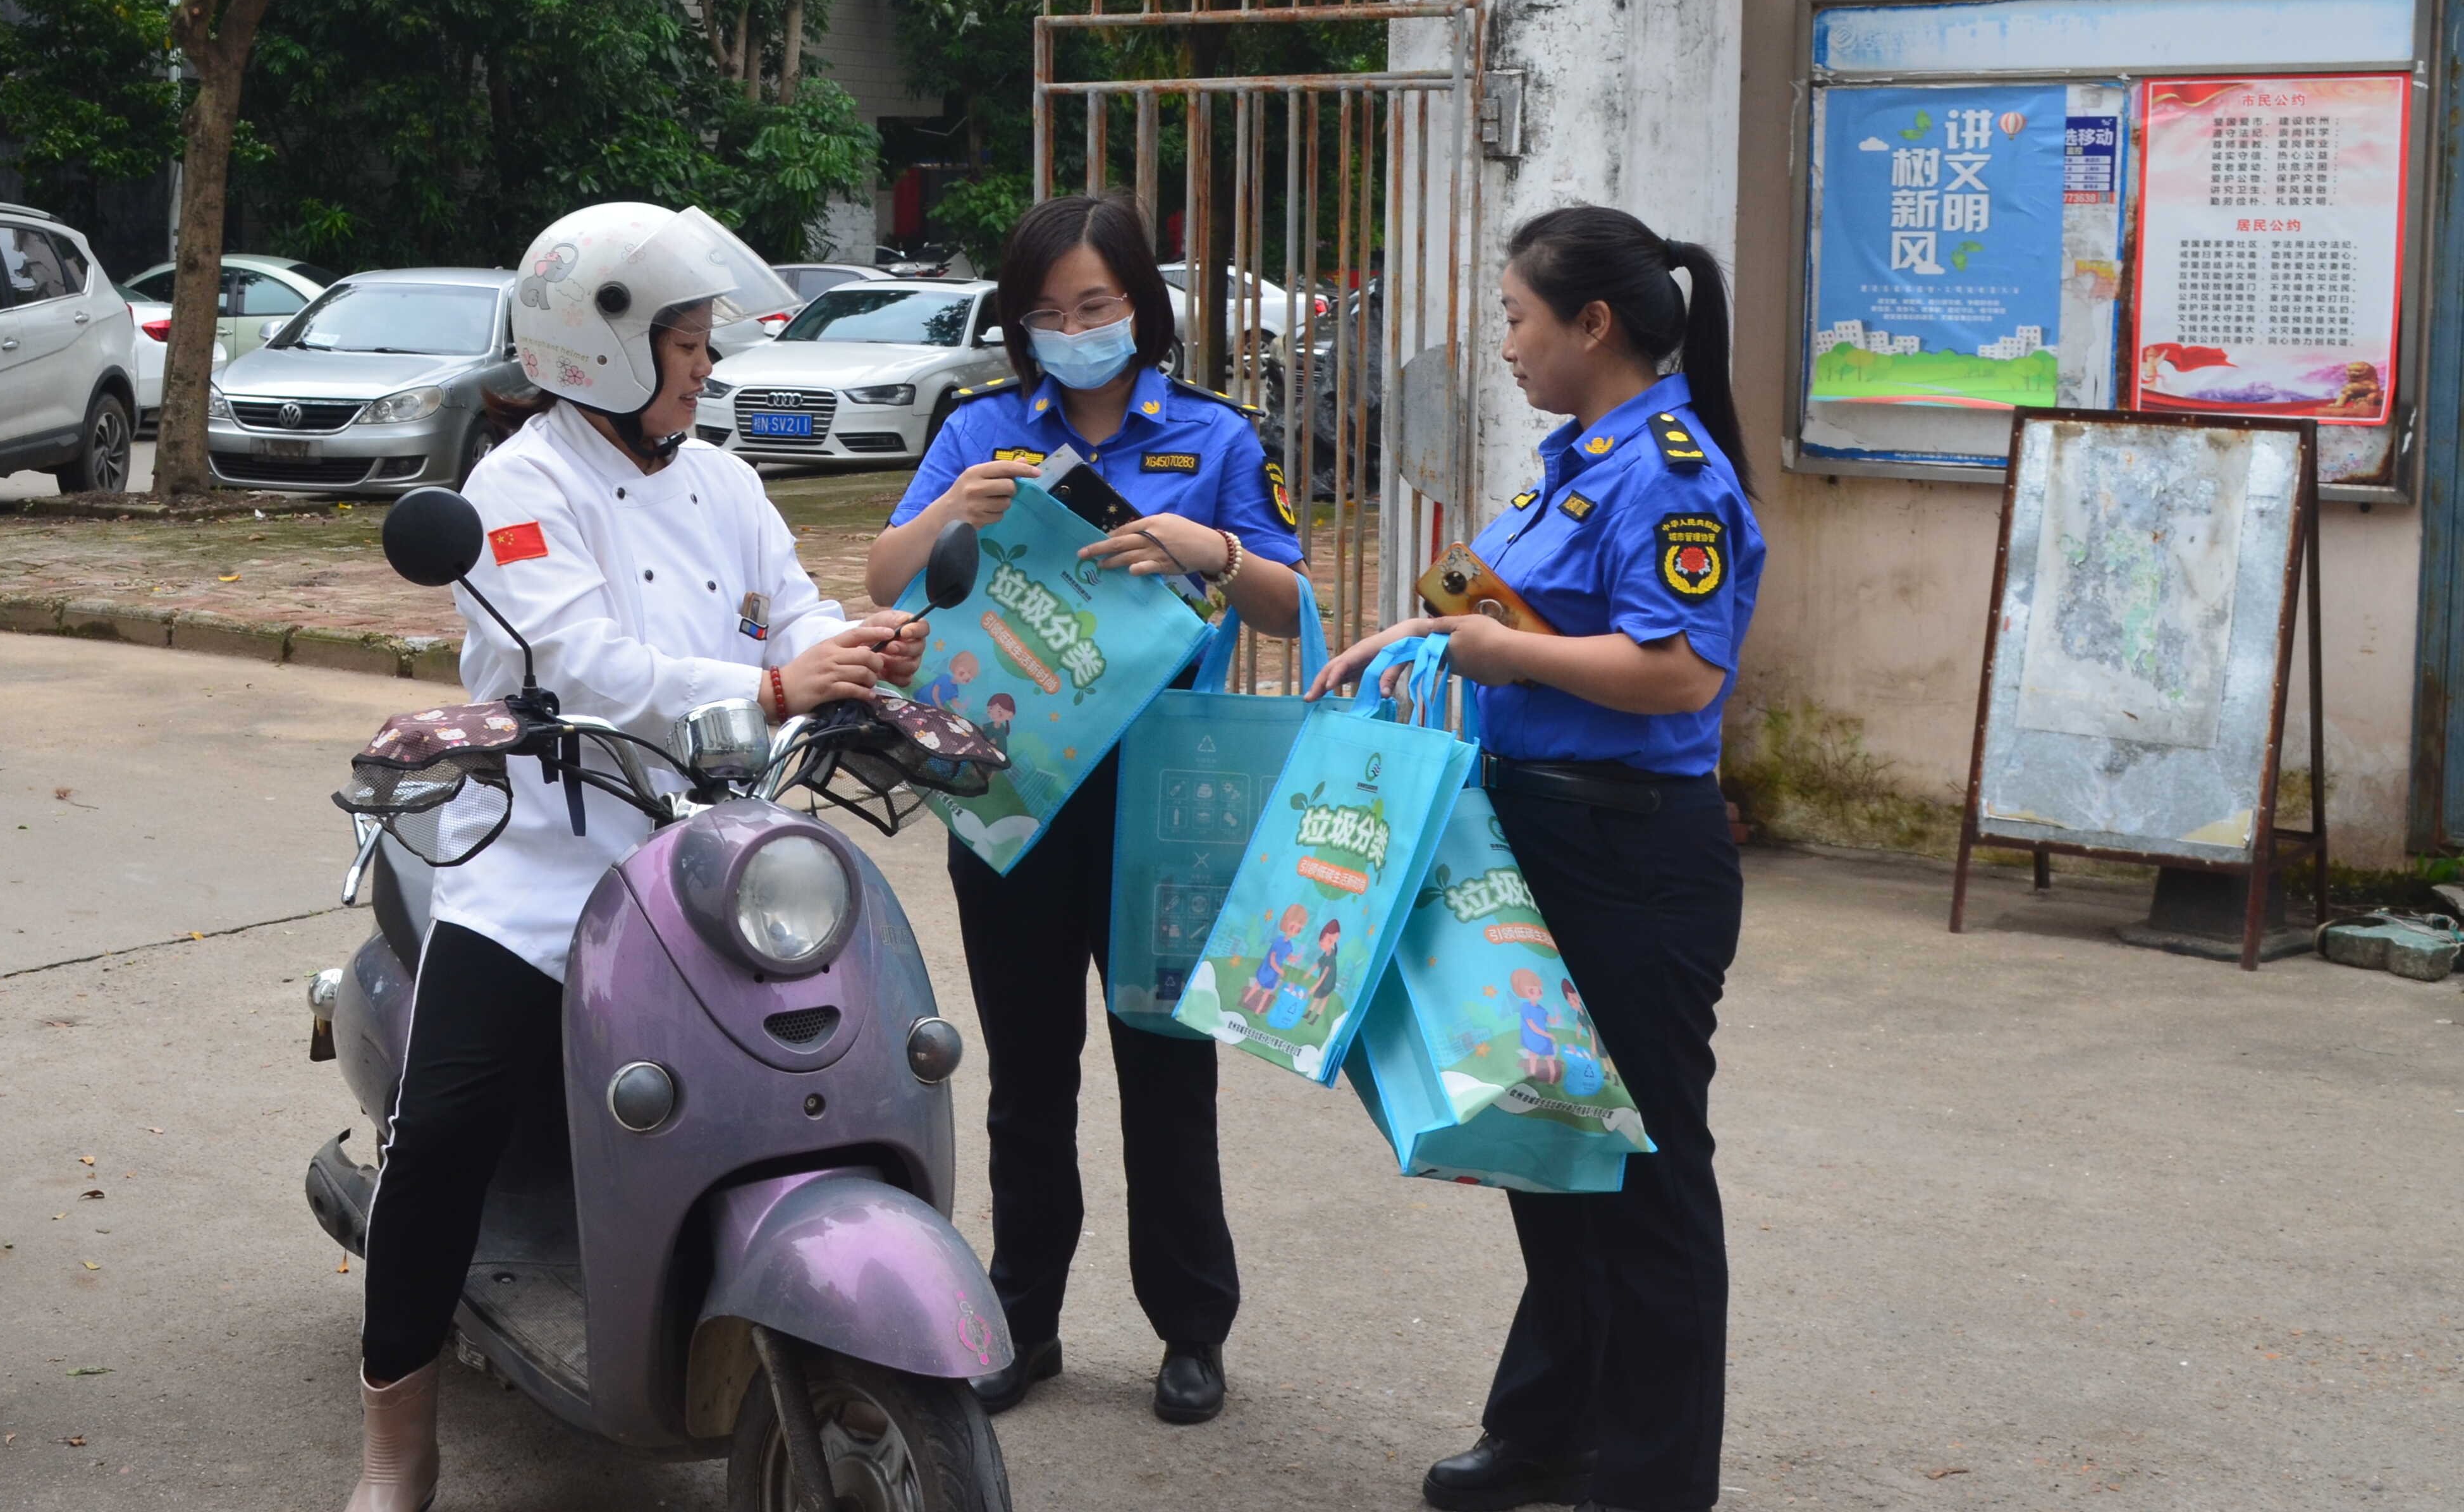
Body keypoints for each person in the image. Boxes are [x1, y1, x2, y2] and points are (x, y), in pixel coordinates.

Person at [342, 202, 929, 1512]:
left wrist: (853, 645)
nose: (705, 366)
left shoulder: (725, 480)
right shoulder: (519, 486)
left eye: (706, 341)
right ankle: (395, 1442)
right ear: (601, 346)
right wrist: (770, 689)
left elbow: (793, 608)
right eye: (686, 342)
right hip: (545, 864)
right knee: (444, 1131)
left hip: (713, 856)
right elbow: (581, 664)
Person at [1309, 203, 1763, 1512]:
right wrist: (1414, 635)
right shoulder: (1573, 460)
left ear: (1593, 324)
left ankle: (1654, 1481)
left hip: (1632, 853)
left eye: (1517, 318)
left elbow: (1679, 673)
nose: (1504, 345)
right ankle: (1551, 1429)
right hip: (1535, 833)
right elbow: (1503, 607)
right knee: (1551, 1143)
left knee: (1644, 1175)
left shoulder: (1670, 473)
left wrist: (1502, 655)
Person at [864, 191, 1308, 1428]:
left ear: (1140, 309)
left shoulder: (1217, 436)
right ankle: (1023, 1318)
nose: (1072, 330)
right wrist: (952, 512)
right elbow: (884, 575)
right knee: (1026, 1073)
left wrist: (1209, 552)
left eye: (1094, 306)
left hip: (1166, 796)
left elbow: (1289, 604)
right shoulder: (981, 428)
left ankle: (1191, 1330)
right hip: (1011, 785)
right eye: (1047, 313)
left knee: (1167, 1069)